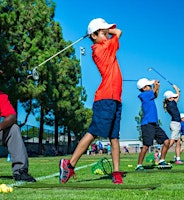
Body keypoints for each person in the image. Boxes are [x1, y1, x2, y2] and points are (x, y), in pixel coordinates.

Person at [59, 18, 123, 184]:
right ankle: (70, 165)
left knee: (114, 137)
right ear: (94, 35)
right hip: (105, 98)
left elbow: (115, 32)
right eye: (104, 32)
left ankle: (116, 172)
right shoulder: (100, 49)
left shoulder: (105, 45)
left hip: (115, 98)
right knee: (93, 132)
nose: (107, 34)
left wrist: (101, 30)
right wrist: (105, 31)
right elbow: (119, 32)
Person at [135, 78, 173, 171]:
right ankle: (139, 165)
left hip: (154, 124)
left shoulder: (149, 94)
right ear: (144, 88)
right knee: (146, 145)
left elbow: (155, 94)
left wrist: (157, 87)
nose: (150, 86)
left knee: (166, 141)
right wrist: (156, 86)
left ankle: (162, 160)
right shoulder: (143, 95)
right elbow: (154, 92)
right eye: (148, 85)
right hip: (147, 124)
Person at [163, 85, 183, 164]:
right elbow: (178, 96)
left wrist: (177, 90)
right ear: (169, 98)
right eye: (172, 97)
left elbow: (177, 96)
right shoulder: (172, 104)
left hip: (176, 124)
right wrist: (176, 88)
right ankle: (160, 154)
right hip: (175, 124)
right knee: (171, 141)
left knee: (178, 142)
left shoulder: (169, 103)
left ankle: (178, 159)